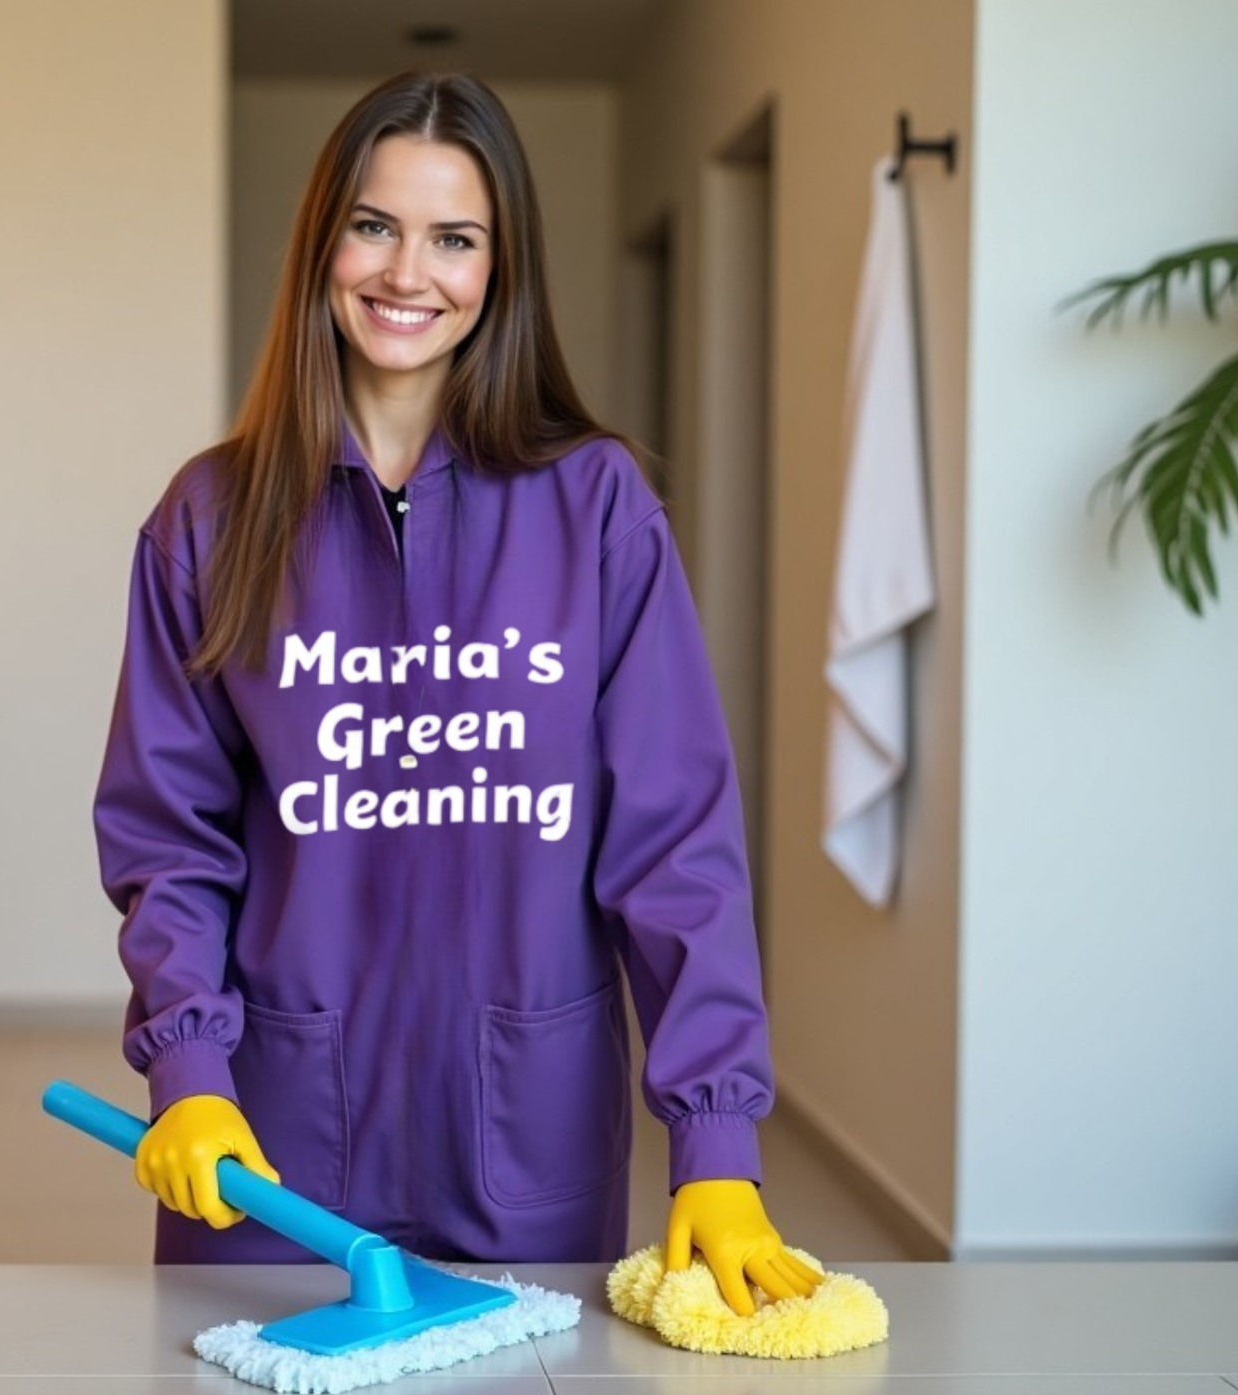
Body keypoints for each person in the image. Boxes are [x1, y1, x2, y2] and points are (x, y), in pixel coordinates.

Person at [90, 71, 820, 1317]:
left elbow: (674, 847)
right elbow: (171, 839)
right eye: (374, 225)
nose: (406, 272)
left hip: (525, 1149)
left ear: (501, 267)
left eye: (455, 238)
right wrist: (193, 1070)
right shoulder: (206, 521)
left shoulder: (595, 510)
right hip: (267, 1167)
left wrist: (715, 1137)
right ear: (325, 241)